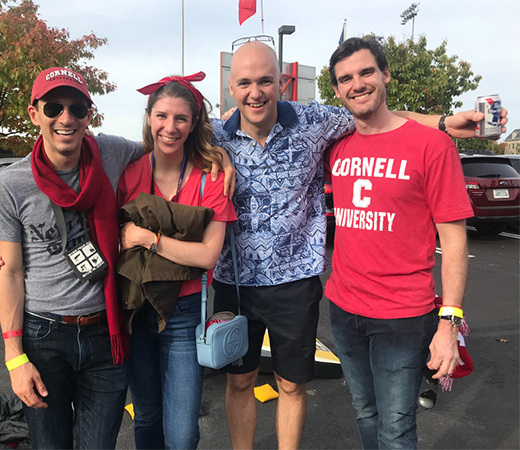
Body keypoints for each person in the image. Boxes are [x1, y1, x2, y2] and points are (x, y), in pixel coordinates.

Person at [209, 40, 507, 450]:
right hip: (235, 282)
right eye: (244, 82)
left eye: (264, 80)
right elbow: (165, 143)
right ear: (230, 86)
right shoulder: (211, 135)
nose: (255, 92)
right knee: (240, 380)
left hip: (297, 284)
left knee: (293, 387)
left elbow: (375, 114)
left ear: (282, 82)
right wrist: (216, 156)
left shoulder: (316, 121)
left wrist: (440, 122)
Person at [324, 36, 473, 449]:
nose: (357, 84)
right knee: (365, 413)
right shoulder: (336, 147)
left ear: (385, 75)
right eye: (346, 78)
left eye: (366, 72)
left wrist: (449, 323)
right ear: (337, 90)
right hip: (343, 308)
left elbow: (455, 243)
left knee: (396, 427)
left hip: (403, 317)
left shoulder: (432, 146)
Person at [0, 67, 143, 449]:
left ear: (89, 113)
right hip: (44, 336)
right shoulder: (8, 186)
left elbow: (170, 143)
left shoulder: (111, 152)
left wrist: (217, 153)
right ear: (34, 113)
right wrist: (14, 359)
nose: (66, 118)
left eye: (77, 108)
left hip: (106, 333)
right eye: (54, 107)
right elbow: (8, 275)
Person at [116, 72, 237, 449]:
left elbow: (207, 255)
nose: (170, 127)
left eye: (181, 118)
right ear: (149, 117)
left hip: (185, 314)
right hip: (136, 311)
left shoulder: (212, 177)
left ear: (194, 123)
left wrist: (146, 238)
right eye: (162, 116)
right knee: (147, 417)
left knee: (182, 433)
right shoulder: (129, 172)